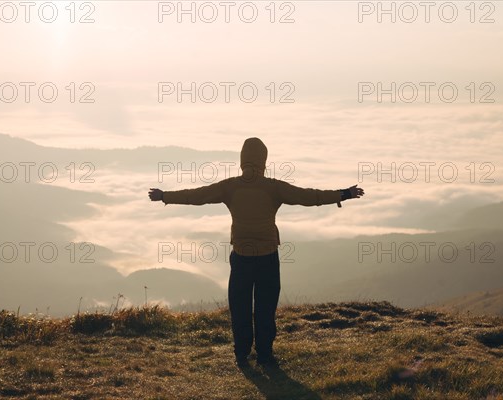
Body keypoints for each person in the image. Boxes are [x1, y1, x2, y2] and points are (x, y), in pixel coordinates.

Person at [148, 137, 364, 367]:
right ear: (264, 161)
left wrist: (165, 196)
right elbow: (310, 197)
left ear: (242, 161)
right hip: (268, 258)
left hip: (241, 258)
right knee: (265, 308)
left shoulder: (229, 187)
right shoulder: (274, 188)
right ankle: (265, 355)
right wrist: (343, 194)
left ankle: (241, 355)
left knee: (240, 308)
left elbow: (197, 195)